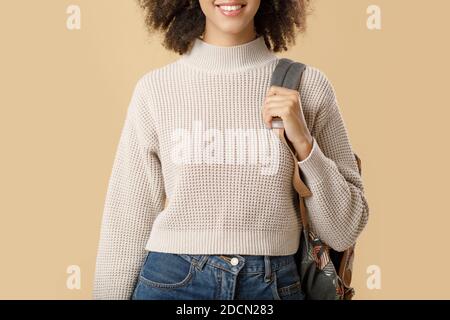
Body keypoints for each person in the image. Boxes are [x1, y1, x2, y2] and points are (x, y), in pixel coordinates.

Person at [93, 0, 369, 300]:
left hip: (273, 285)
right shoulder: (156, 89)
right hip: (171, 282)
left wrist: (304, 143)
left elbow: (343, 231)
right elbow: (126, 217)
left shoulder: (308, 87)